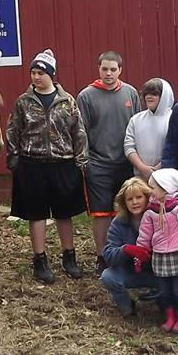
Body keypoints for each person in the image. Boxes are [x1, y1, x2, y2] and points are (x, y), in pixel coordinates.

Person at [6, 49, 89, 284]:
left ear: (51, 74)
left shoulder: (67, 100)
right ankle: (40, 259)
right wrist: (13, 158)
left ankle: (69, 256)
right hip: (32, 163)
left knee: (65, 212)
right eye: (33, 72)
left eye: (40, 72)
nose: (35, 77)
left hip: (63, 163)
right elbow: (13, 131)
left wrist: (81, 159)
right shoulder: (23, 102)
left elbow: (78, 131)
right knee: (36, 213)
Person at [77, 50, 140, 276]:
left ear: (120, 70)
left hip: (126, 163)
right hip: (99, 164)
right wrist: (86, 162)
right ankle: (102, 256)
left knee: (130, 209)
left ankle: (130, 254)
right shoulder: (86, 96)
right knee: (102, 213)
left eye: (113, 69)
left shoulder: (131, 93)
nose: (109, 73)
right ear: (98, 69)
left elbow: (138, 126)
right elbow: (81, 132)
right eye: (105, 69)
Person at [132, 169, 178, 334]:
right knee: (165, 291)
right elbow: (145, 234)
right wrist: (140, 252)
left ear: (165, 189)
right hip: (159, 255)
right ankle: (170, 316)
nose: (151, 191)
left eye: (154, 187)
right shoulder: (151, 211)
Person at [100, 177, 158, 318]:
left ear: (147, 198)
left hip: (158, 271)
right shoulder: (118, 222)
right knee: (108, 276)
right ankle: (126, 306)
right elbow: (108, 255)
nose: (135, 202)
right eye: (130, 199)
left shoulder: (159, 217)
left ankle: (164, 301)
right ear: (124, 202)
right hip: (130, 272)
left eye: (139, 197)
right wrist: (126, 250)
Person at [124, 78, 175, 181]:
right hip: (140, 178)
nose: (149, 97)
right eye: (146, 93)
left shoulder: (174, 118)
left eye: (154, 94)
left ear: (164, 96)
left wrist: (158, 168)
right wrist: (143, 168)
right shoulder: (136, 120)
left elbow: (176, 147)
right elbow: (129, 146)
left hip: (166, 178)